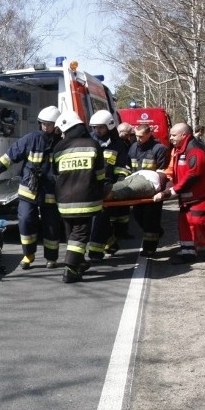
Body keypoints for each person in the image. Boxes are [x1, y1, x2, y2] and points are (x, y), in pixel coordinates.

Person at [0, 106, 62, 269]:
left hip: (50, 192)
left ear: (57, 125)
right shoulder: (31, 139)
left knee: (51, 225)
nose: (45, 127)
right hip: (28, 189)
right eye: (43, 124)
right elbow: (11, 155)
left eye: (49, 124)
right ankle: (28, 255)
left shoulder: (62, 143)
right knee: (26, 221)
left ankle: (52, 258)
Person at [153, 123, 205, 263]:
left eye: (173, 135)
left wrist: (171, 191)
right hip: (190, 194)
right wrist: (163, 180)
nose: (170, 138)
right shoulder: (179, 149)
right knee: (184, 221)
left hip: (203, 193)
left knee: (199, 220)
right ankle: (188, 252)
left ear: (184, 135)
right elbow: (174, 170)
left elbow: (193, 175)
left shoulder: (195, 150)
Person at [52, 110, 105, 283]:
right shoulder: (93, 144)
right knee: (80, 234)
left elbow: (55, 173)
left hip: (64, 200)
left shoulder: (59, 148)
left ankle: (80, 262)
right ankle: (70, 268)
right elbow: (100, 174)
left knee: (71, 234)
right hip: (86, 199)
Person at [87, 110, 132, 260]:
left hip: (107, 186)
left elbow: (122, 168)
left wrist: (117, 187)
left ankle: (95, 252)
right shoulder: (89, 142)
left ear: (109, 127)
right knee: (98, 218)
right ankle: (110, 243)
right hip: (90, 185)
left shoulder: (118, 145)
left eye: (101, 127)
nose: (97, 130)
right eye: (95, 127)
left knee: (99, 218)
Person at [128, 124, 171, 256]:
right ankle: (158, 232)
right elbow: (130, 166)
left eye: (141, 136)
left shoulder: (159, 149)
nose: (138, 139)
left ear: (148, 134)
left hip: (153, 190)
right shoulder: (134, 147)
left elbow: (163, 172)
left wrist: (161, 191)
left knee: (151, 219)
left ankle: (149, 249)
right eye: (136, 136)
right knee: (137, 215)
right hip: (137, 188)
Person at [104, 170, 169, 201]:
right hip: (136, 175)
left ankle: (98, 198)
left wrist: (163, 193)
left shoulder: (167, 177)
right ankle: (97, 195)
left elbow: (171, 186)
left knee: (125, 192)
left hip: (150, 182)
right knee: (114, 187)